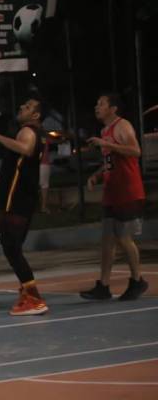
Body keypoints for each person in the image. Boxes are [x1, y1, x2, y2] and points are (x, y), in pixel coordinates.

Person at [0, 98, 49, 316]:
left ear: (35, 115)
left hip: (15, 199)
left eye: (27, 107)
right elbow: (24, 166)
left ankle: (34, 299)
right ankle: (27, 293)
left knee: (11, 248)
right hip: (21, 196)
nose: (21, 108)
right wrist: (2, 176)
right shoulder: (36, 133)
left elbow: (25, 149)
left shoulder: (27, 131)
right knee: (13, 247)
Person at [80, 93, 149, 301]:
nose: (97, 107)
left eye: (101, 104)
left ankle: (137, 280)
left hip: (128, 190)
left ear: (113, 108)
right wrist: (96, 175)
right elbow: (109, 161)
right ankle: (103, 285)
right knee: (107, 240)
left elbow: (135, 151)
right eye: (97, 103)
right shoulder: (104, 131)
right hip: (112, 191)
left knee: (123, 237)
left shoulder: (122, 126)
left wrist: (108, 144)